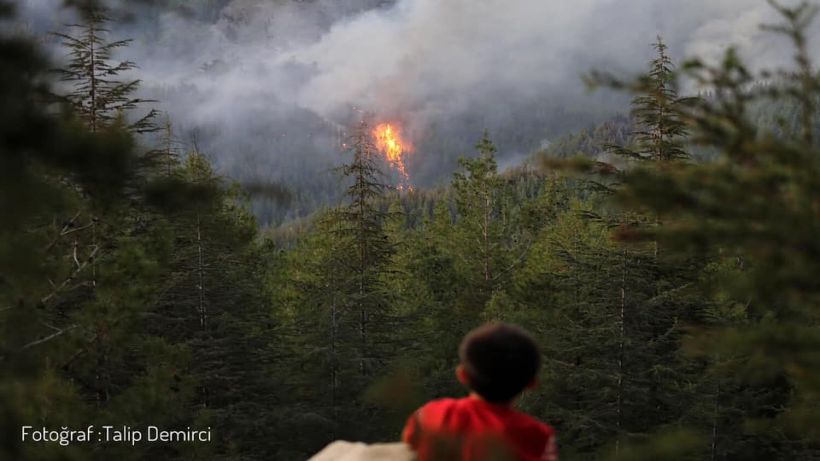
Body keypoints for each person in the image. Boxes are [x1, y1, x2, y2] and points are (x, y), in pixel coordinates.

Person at [402, 323, 558, 461]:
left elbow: (411, 445)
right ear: (532, 383)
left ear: (462, 375)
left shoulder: (431, 415)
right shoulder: (538, 435)